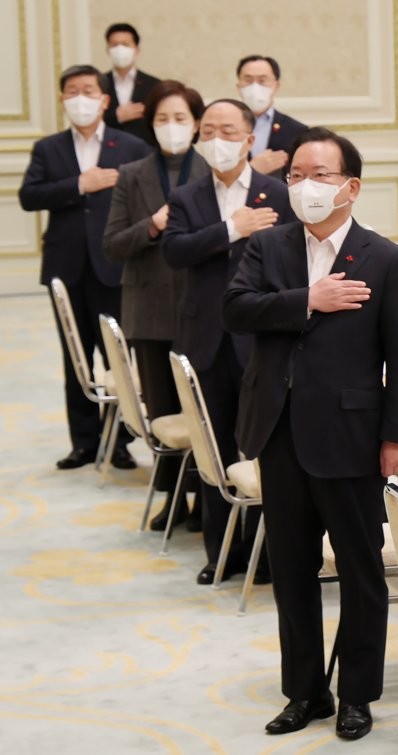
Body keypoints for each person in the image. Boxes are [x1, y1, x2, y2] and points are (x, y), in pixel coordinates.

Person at [223, 128, 398, 741]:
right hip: (279, 433)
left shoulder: (385, 259)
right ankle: (305, 691)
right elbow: (236, 308)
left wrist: (397, 436)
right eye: (297, 175)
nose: (307, 185)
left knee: (360, 573)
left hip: (352, 436)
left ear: (351, 186)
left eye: (322, 174)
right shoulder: (269, 246)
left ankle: (358, 694)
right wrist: (308, 298)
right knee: (292, 569)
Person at [161, 99, 292, 585]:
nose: (219, 138)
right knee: (213, 450)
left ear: (249, 138)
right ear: (199, 138)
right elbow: (174, 252)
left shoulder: (276, 193)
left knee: (262, 447)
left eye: (229, 129)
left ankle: (267, 555)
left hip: (262, 339)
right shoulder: (186, 196)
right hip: (207, 339)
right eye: (210, 129)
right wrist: (230, 229)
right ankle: (220, 553)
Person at [19, 64, 150, 470]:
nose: (81, 97)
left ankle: (121, 442)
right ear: (62, 99)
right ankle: (83, 442)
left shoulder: (130, 146)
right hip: (66, 266)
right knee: (76, 356)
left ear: (104, 99)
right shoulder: (49, 148)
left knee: (118, 357)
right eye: (72, 91)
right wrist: (80, 184)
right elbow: (29, 196)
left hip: (116, 265)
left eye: (88, 90)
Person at [102, 80, 209, 531]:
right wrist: (152, 225)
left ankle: (208, 498)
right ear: (151, 126)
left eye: (180, 118)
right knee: (163, 409)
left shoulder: (214, 172)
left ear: (197, 124)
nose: (171, 127)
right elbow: (112, 244)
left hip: (205, 309)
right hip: (149, 310)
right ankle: (173, 499)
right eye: (162, 119)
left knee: (205, 410)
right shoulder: (131, 174)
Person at [235, 55, 308, 181]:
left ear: (276, 86)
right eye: (248, 80)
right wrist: (252, 170)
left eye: (262, 80)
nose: (255, 87)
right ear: (239, 86)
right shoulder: (225, 129)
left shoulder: (297, 131)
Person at [101, 23, 160, 147]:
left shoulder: (154, 85)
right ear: (108, 50)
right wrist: (116, 116)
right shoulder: (99, 84)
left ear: (136, 50)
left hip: (144, 153)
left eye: (125, 44)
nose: (120, 49)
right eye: (115, 45)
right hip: (107, 150)